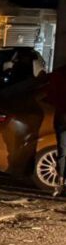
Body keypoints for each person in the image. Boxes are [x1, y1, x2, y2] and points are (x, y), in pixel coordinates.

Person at [45, 64, 66, 197]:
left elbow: (51, 97)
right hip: (62, 117)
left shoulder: (58, 74)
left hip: (62, 116)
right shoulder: (59, 74)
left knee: (63, 151)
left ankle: (61, 182)